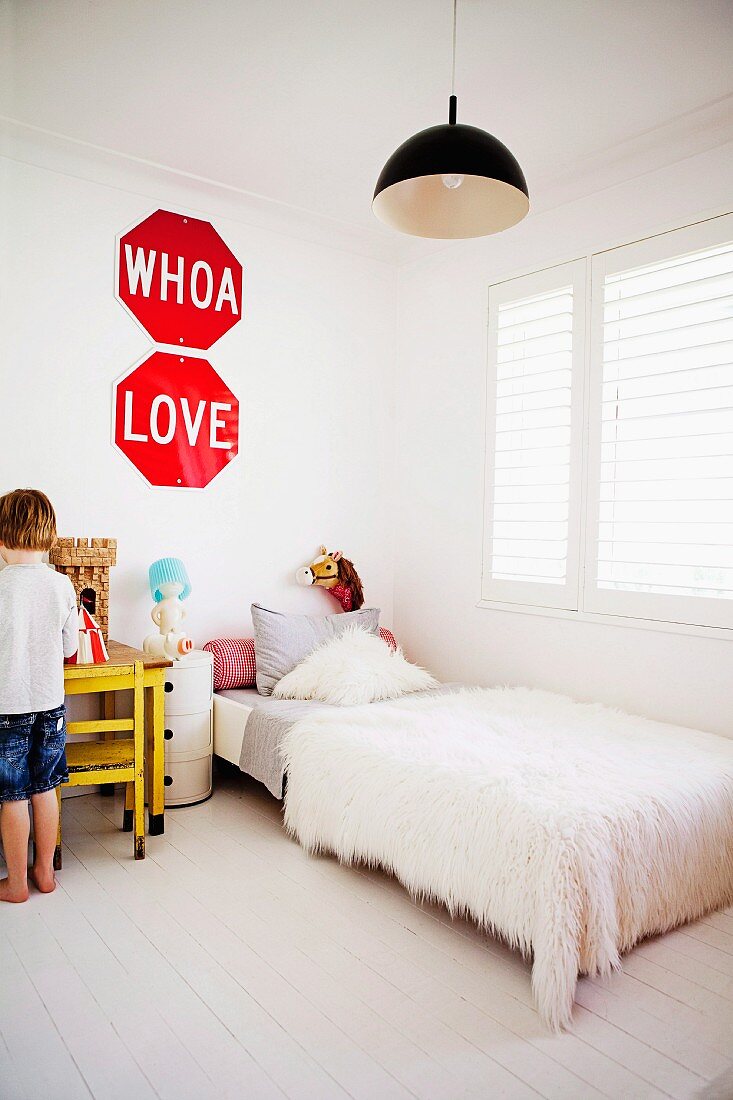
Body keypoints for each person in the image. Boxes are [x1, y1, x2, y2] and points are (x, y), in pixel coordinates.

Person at [0, 489, 78, 902]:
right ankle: (44, 872)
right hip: (50, 706)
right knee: (44, 788)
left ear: (0, 538)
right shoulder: (62, 586)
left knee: (12, 795)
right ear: (49, 537)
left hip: (6, 708)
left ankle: (15, 884)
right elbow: (70, 649)